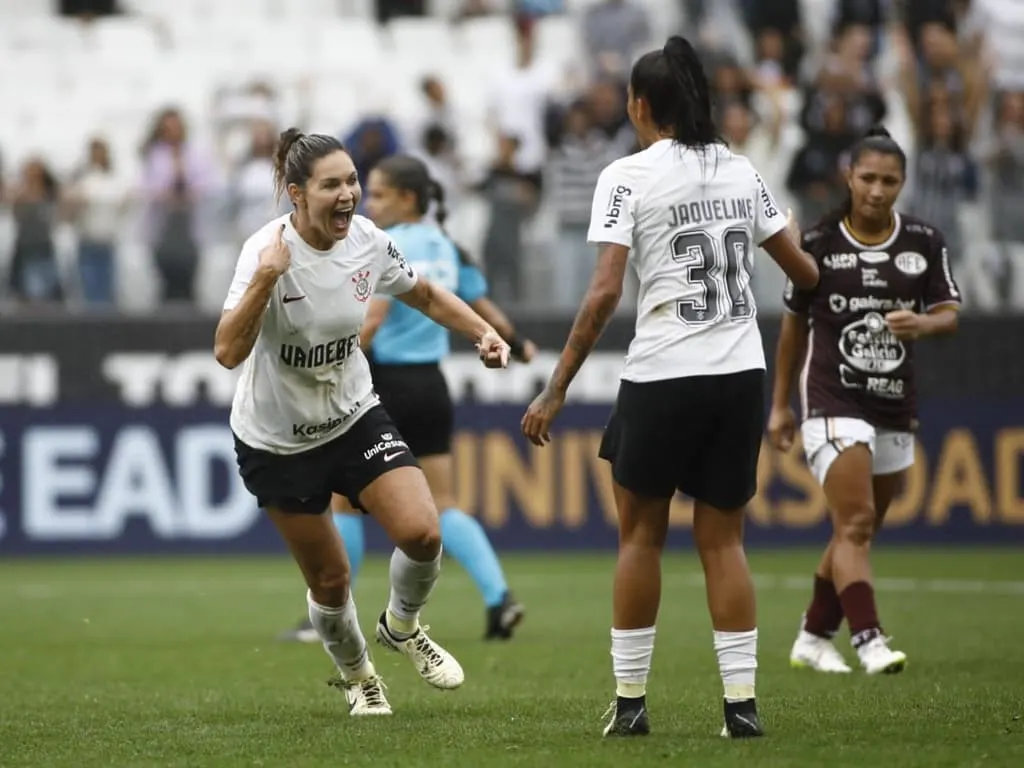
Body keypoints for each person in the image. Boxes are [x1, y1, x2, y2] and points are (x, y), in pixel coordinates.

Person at [521, 35, 820, 740]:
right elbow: (803, 276)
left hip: (662, 371)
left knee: (640, 539)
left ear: (642, 104)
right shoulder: (742, 171)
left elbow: (601, 296)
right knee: (724, 543)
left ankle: (630, 706)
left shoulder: (626, 175)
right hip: (739, 374)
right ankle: (741, 707)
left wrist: (555, 389)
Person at [215, 128, 511, 717]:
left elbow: (424, 295)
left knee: (424, 533)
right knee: (330, 581)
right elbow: (227, 350)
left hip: (352, 414)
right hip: (276, 441)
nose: (348, 194)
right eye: (333, 185)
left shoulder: (369, 242)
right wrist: (266, 279)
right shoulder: (263, 252)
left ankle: (402, 627)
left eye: (352, 181)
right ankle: (359, 678)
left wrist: (482, 330)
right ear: (298, 194)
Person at [280, 154, 535, 644]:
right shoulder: (447, 244)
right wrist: (516, 342)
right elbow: (477, 304)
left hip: (386, 386)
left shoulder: (386, 246)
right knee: (443, 503)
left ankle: (334, 612)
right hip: (432, 387)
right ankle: (498, 596)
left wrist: (326, 372)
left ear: (408, 198)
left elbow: (371, 321)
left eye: (377, 194)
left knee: (344, 503)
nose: (365, 204)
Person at [768, 126, 961, 675]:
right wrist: (780, 404)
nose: (877, 190)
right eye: (868, 178)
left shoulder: (924, 241)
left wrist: (922, 323)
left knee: (859, 528)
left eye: (890, 181)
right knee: (854, 524)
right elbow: (793, 329)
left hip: (894, 402)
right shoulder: (819, 243)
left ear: (903, 183)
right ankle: (870, 639)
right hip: (832, 399)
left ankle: (812, 635)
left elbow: (950, 314)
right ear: (848, 178)